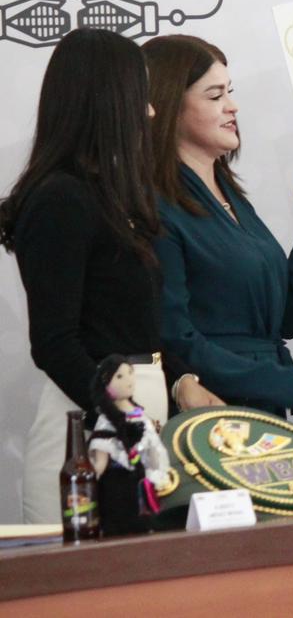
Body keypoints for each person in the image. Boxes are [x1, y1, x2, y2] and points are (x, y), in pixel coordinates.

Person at [0, 28, 220, 523]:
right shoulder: (60, 199)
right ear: (107, 102)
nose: (149, 113)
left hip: (135, 428)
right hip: (87, 435)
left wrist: (180, 378)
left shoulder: (117, 199)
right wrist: (121, 416)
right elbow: (55, 342)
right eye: (139, 98)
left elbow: (136, 327)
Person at [143, 34, 293, 423]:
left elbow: (280, 322)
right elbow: (176, 340)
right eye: (214, 96)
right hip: (212, 418)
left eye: (231, 92)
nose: (232, 106)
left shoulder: (229, 194)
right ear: (170, 105)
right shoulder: (156, 208)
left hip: (262, 409)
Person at [88, 355, 171, 535]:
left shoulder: (140, 415)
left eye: (130, 373)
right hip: (116, 481)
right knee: (117, 523)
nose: (128, 380)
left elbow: (153, 446)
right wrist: (92, 480)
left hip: (142, 479)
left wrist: (159, 470)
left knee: (145, 522)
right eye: (119, 377)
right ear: (106, 383)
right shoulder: (106, 420)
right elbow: (101, 455)